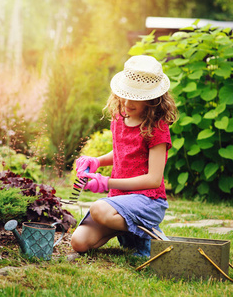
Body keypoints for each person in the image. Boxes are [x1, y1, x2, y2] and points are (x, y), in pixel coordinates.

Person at [70, 55, 178, 257]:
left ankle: (148, 235)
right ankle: (131, 234)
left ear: (153, 99)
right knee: (79, 242)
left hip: (148, 201)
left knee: (98, 209)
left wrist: (106, 183)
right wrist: (97, 161)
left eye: (135, 97)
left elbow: (154, 180)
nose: (127, 102)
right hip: (119, 202)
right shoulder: (120, 118)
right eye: (125, 94)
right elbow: (122, 152)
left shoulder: (157, 129)